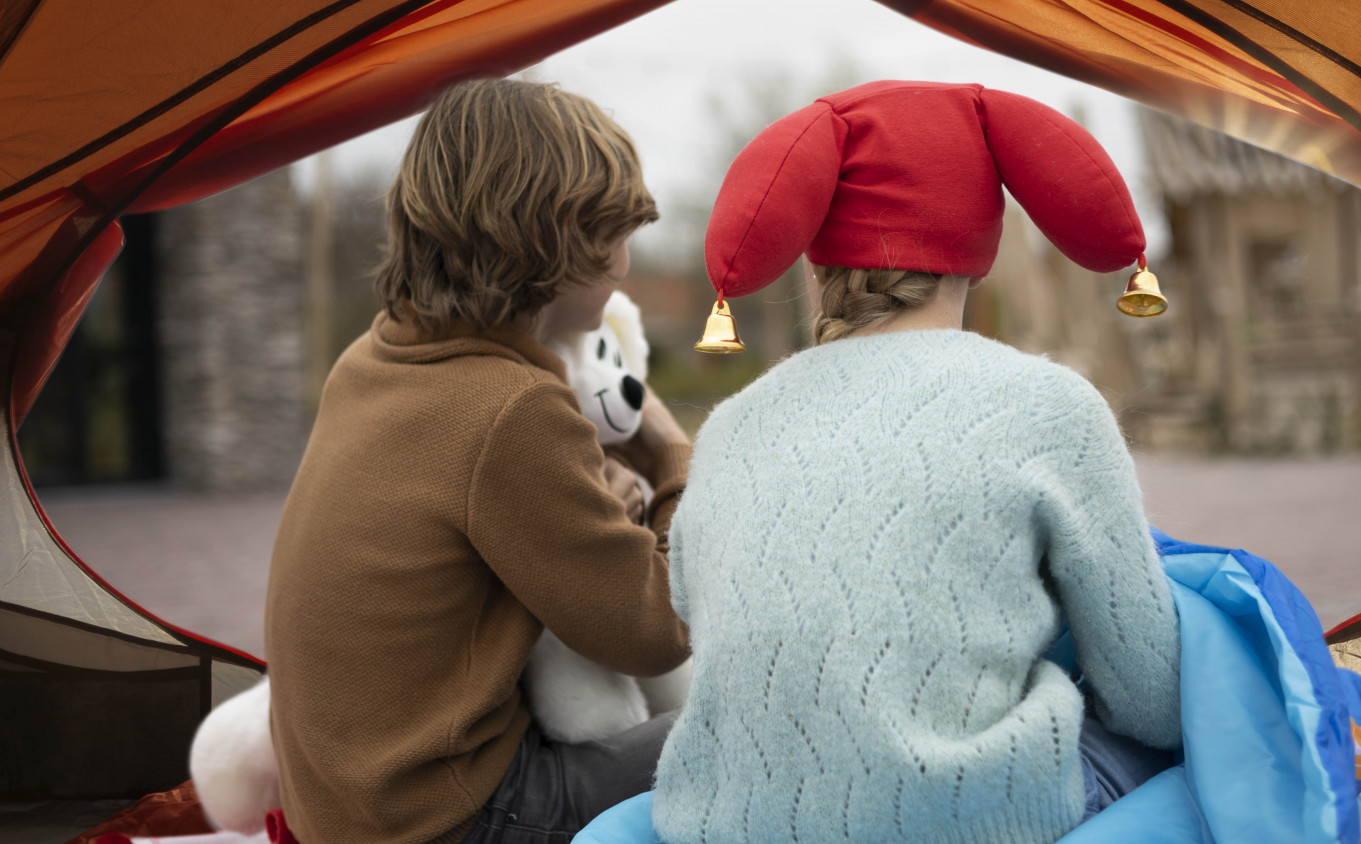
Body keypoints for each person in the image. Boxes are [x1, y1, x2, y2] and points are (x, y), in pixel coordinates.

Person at [652, 80, 1181, 844]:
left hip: (719, 822)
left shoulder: (732, 425)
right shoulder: (1046, 406)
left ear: (817, 245)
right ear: (979, 230)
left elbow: (693, 607)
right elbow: (1149, 696)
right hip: (968, 816)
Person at [264, 78, 692, 844]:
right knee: (781, 724)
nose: (625, 265)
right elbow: (659, 626)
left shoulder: (375, 356)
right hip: (449, 820)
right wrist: (672, 456)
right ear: (545, 238)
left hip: (343, 810)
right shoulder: (510, 408)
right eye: (609, 235)